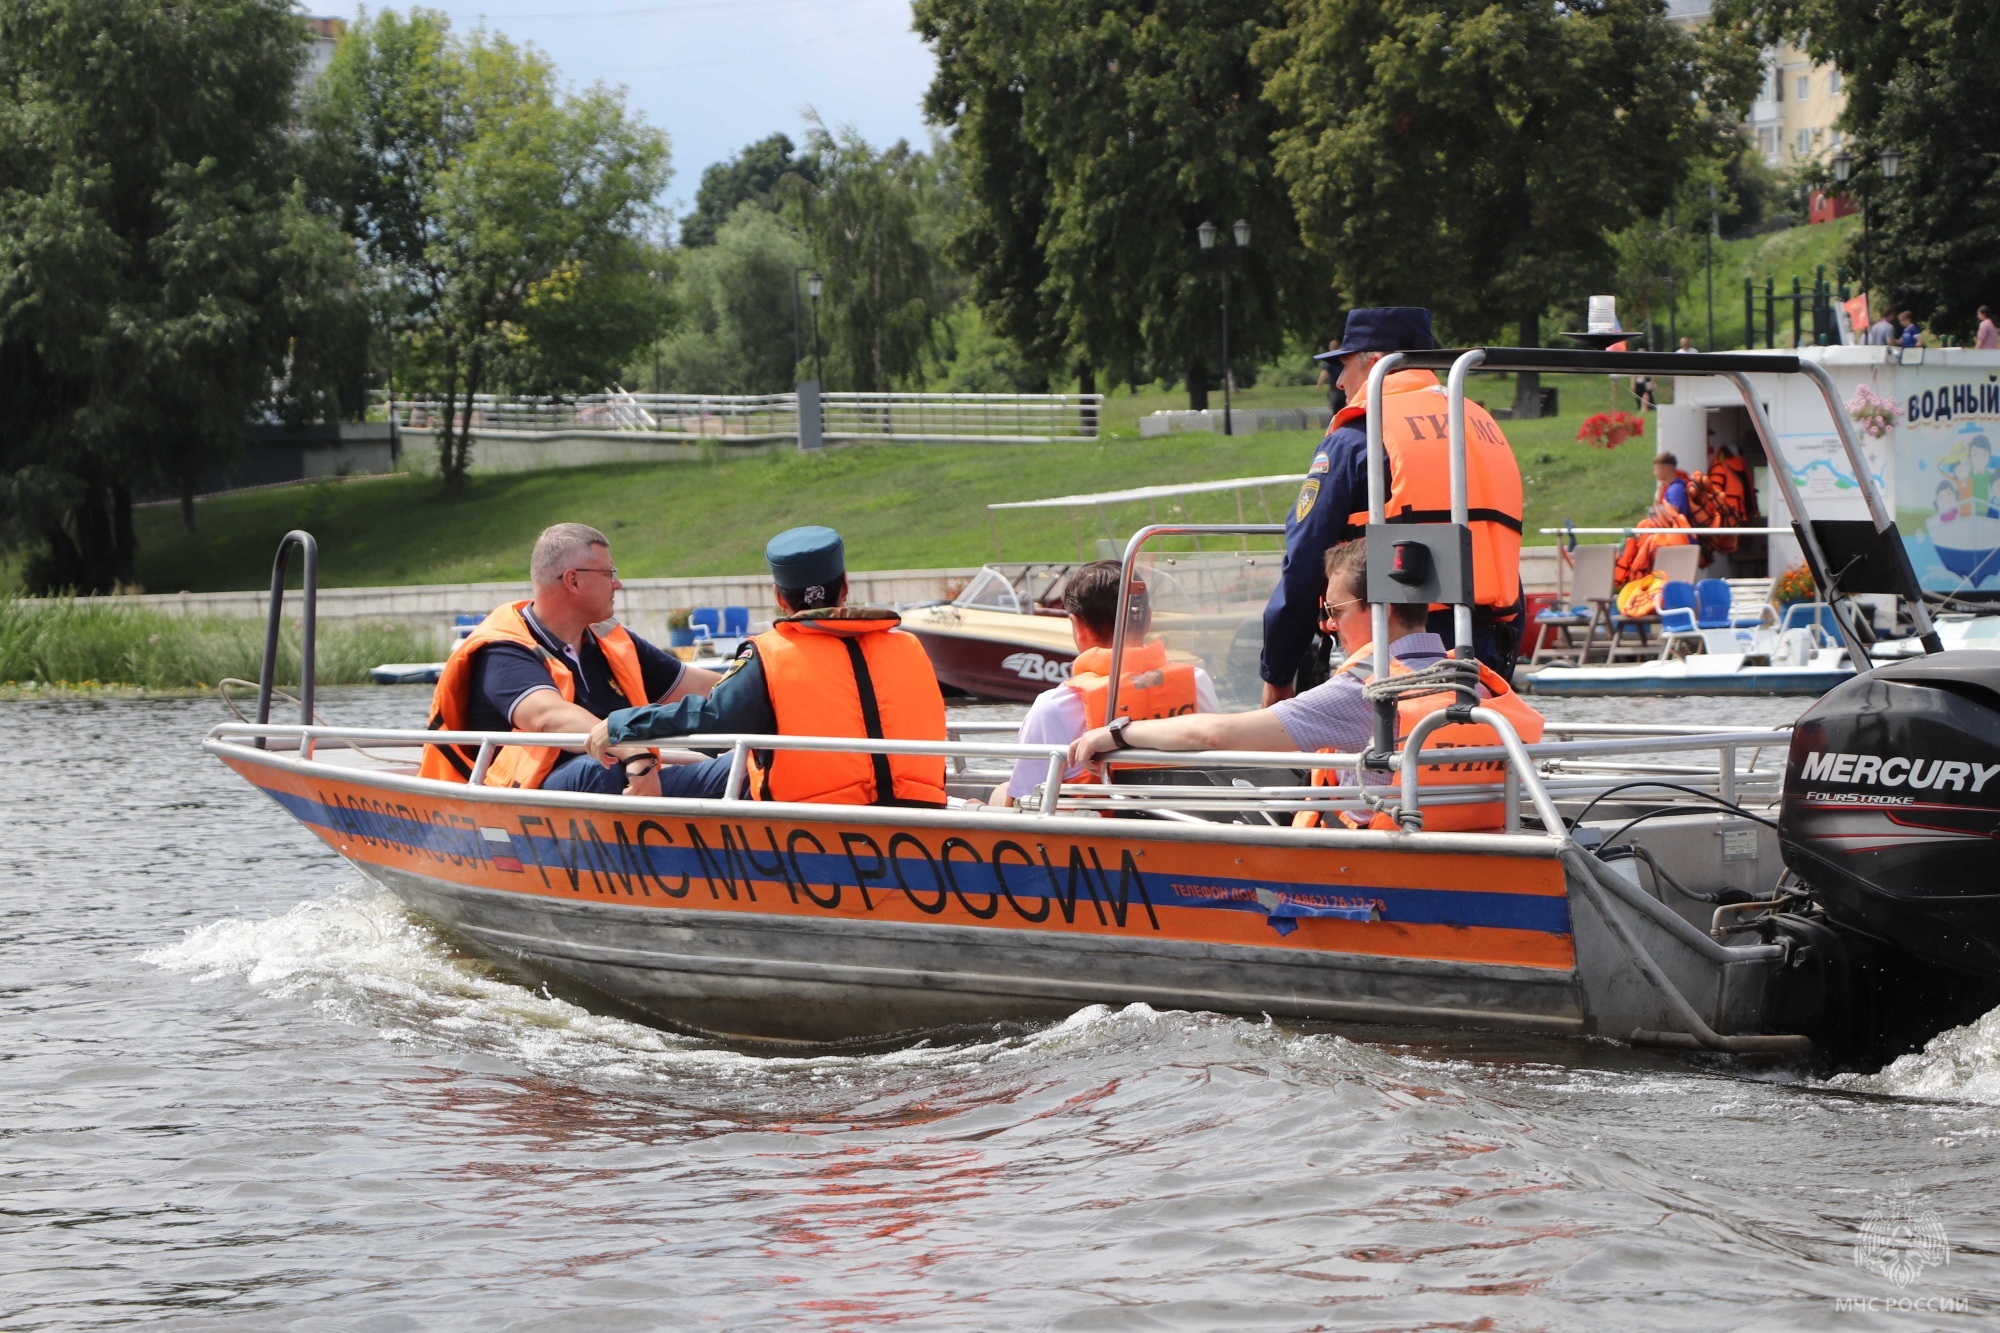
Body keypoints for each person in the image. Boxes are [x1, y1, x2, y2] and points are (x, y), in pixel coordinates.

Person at [1070, 540, 1542, 828]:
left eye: (1335, 612)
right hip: (1465, 832)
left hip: (1363, 858)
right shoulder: (1467, 678)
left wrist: (1116, 733)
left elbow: (1214, 736)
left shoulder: (1364, 689)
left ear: (1381, 610)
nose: (1329, 627)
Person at [1261, 306, 1526, 705]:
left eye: (1344, 364)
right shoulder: (1479, 424)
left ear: (1374, 361)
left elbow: (1305, 559)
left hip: (1396, 654)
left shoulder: (1356, 438)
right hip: (1487, 654)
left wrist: (1278, 672)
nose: (1340, 378)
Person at [587, 526, 948, 807]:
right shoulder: (909, 645)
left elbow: (715, 717)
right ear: (846, 587)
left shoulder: (771, 653)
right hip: (919, 809)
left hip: (817, 822)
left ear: (779, 596)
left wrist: (624, 724)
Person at [419, 523, 726, 797]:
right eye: (610, 574)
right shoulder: (502, 648)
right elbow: (547, 716)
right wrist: (630, 749)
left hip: (631, 777)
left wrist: (761, 678)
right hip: (522, 805)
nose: (617, 584)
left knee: (738, 769)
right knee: (600, 768)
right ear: (573, 581)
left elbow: (702, 687)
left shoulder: (613, 642)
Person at [989, 560, 1220, 807]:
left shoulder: (1053, 707)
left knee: (1000, 793)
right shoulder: (1196, 682)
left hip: (1097, 837)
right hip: (1185, 826)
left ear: (1077, 626)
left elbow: (1020, 804)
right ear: (1148, 619)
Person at [1653, 452, 1691, 518]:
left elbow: (1673, 513)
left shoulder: (1675, 489)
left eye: (1656, 469)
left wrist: (1655, 512)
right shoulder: (1673, 487)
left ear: (1665, 469)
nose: (1654, 472)